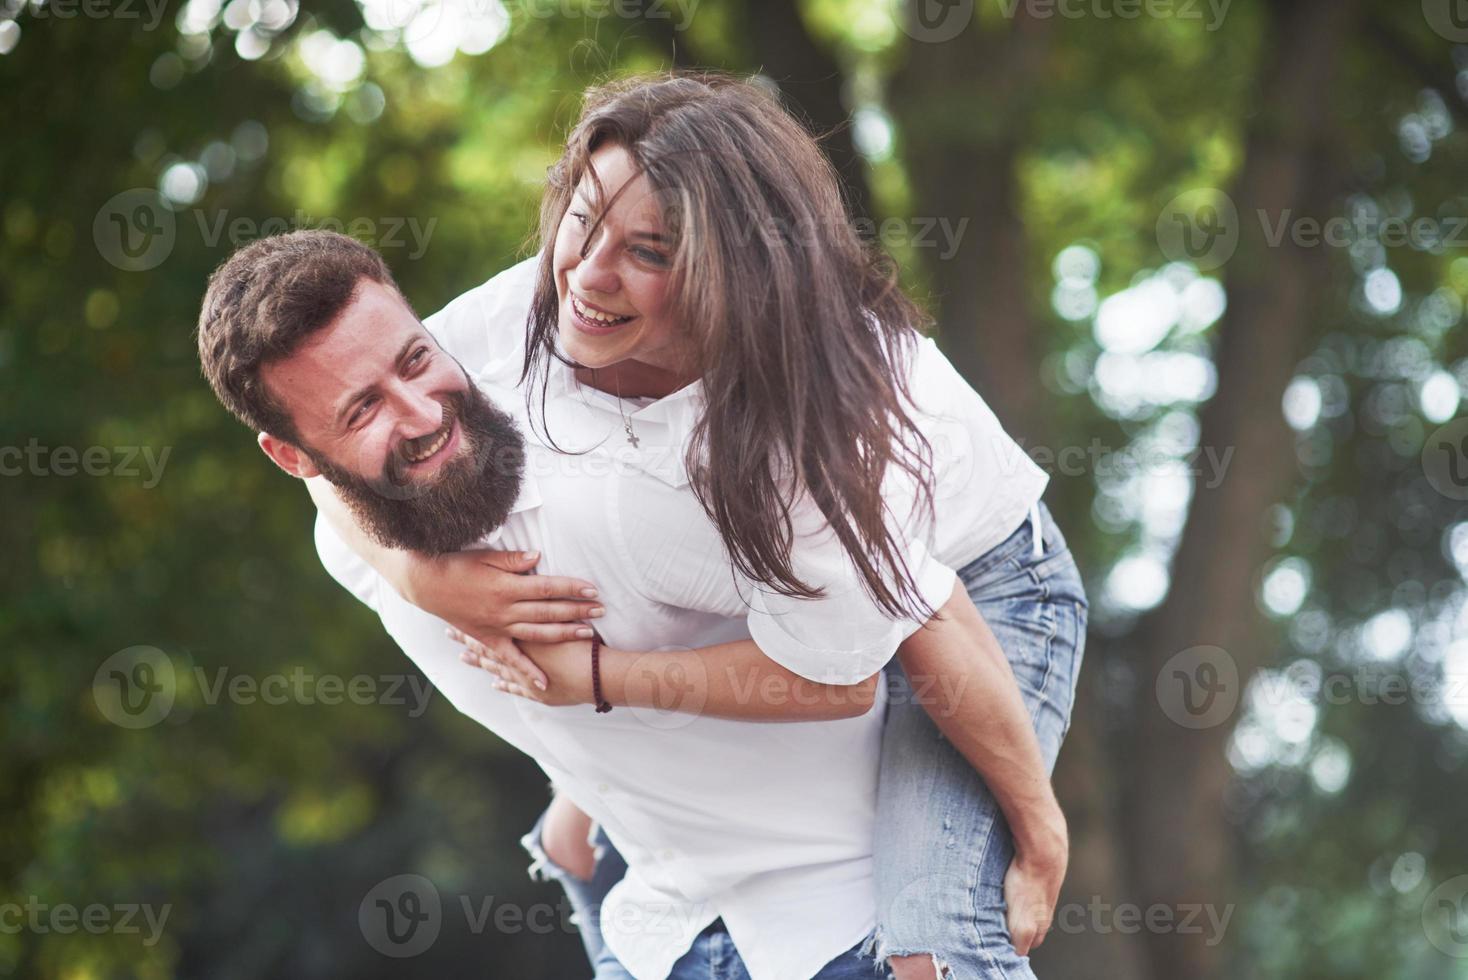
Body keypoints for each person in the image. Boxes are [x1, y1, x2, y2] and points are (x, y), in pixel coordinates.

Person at [311, 73, 1088, 980]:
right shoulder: (524, 308)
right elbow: (328, 442)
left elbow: (883, 648)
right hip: (836, 590)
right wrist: (417, 575)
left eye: (648, 250)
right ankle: (592, 820)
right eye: (583, 220)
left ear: (730, 267)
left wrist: (1035, 830)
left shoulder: (804, 426)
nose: (590, 274)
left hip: (981, 590)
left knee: (928, 945)